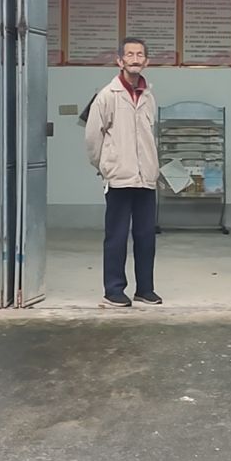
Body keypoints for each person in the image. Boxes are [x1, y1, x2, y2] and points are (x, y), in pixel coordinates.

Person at [84, 37, 162, 308]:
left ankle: (145, 289)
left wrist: (151, 167)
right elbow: (93, 138)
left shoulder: (149, 96)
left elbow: (149, 135)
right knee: (116, 237)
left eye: (140, 54)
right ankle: (114, 290)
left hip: (146, 179)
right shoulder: (108, 96)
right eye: (129, 54)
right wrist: (106, 166)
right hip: (119, 178)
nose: (135, 59)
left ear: (146, 61)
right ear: (120, 61)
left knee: (146, 237)